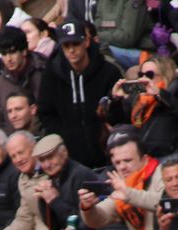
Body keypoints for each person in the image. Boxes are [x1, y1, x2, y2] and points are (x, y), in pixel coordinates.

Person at [35, 18, 118, 169]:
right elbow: (46, 113)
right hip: (72, 163)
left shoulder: (108, 72)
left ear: (86, 42)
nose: (71, 50)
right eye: (66, 45)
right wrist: (65, 137)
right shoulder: (51, 75)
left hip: (109, 158)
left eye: (76, 44)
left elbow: (119, 114)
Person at [80, 126, 165, 230]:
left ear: (144, 159)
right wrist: (87, 207)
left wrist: (129, 193)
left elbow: (164, 203)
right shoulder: (125, 185)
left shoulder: (161, 173)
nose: (122, 167)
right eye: (118, 163)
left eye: (128, 160)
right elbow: (99, 218)